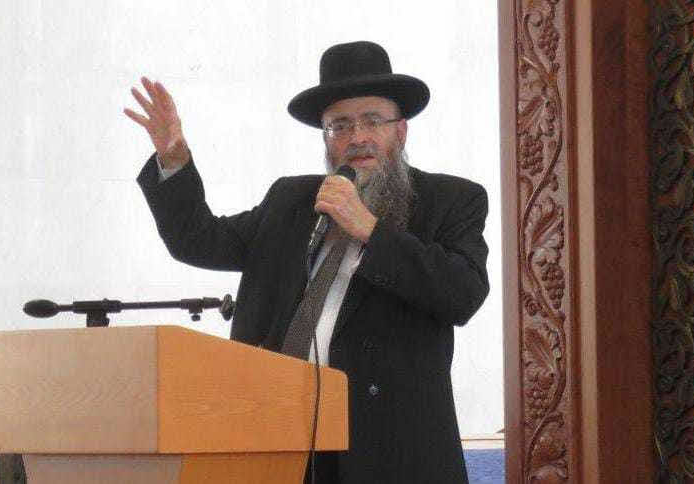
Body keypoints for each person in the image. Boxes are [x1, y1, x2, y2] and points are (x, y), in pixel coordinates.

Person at [126, 40, 489, 484]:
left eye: (372, 120)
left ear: (401, 131)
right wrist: (173, 158)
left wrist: (370, 229)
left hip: (388, 451)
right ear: (326, 138)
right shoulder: (291, 200)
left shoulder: (451, 200)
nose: (357, 137)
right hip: (282, 441)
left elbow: (463, 293)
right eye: (340, 126)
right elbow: (198, 241)